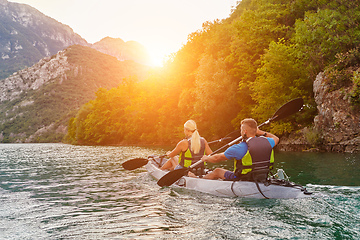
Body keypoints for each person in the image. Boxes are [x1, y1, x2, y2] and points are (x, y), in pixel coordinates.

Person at [201, 118, 279, 180]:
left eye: (241, 130)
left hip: (244, 178)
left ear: (244, 131)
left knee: (217, 171)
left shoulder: (238, 148)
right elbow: (276, 138)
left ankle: (199, 181)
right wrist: (260, 132)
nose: (240, 132)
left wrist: (206, 158)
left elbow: (216, 158)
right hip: (262, 176)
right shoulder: (268, 142)